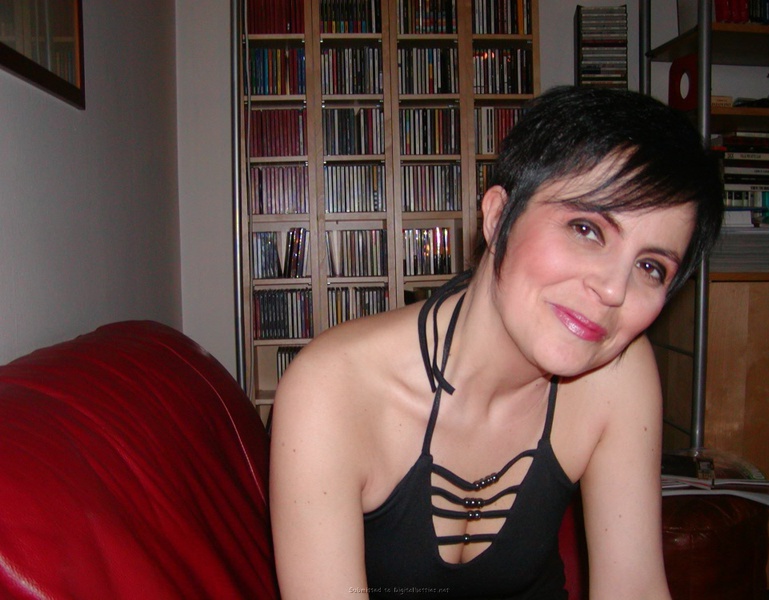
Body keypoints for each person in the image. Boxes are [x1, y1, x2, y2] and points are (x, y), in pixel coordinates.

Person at [269, 85, 723, 599]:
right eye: (587, 229)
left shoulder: (619, 375)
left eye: (650, 267)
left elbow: (634, 587)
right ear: (498, 216)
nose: (614, 291)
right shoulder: (333, 390)